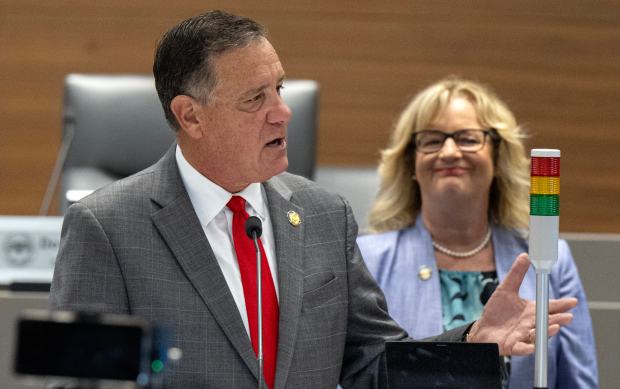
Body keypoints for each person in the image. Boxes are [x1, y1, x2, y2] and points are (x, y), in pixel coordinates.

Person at [49, 12, 577, 389]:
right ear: (191, 116)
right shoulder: (108, 227)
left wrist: (473, 345)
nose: (282, 112)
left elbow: (376, 365)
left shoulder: (324, 216)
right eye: (256, 98)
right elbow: (81, 382)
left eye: (279, 88)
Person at [357, 77, 598, 388]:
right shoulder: (367, 260)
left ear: (498, 158)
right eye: (431, 140)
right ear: (410, 163)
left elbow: (580, 382)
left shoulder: (550, 257)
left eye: (468, 139)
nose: (449, 151)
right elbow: (350, 378)